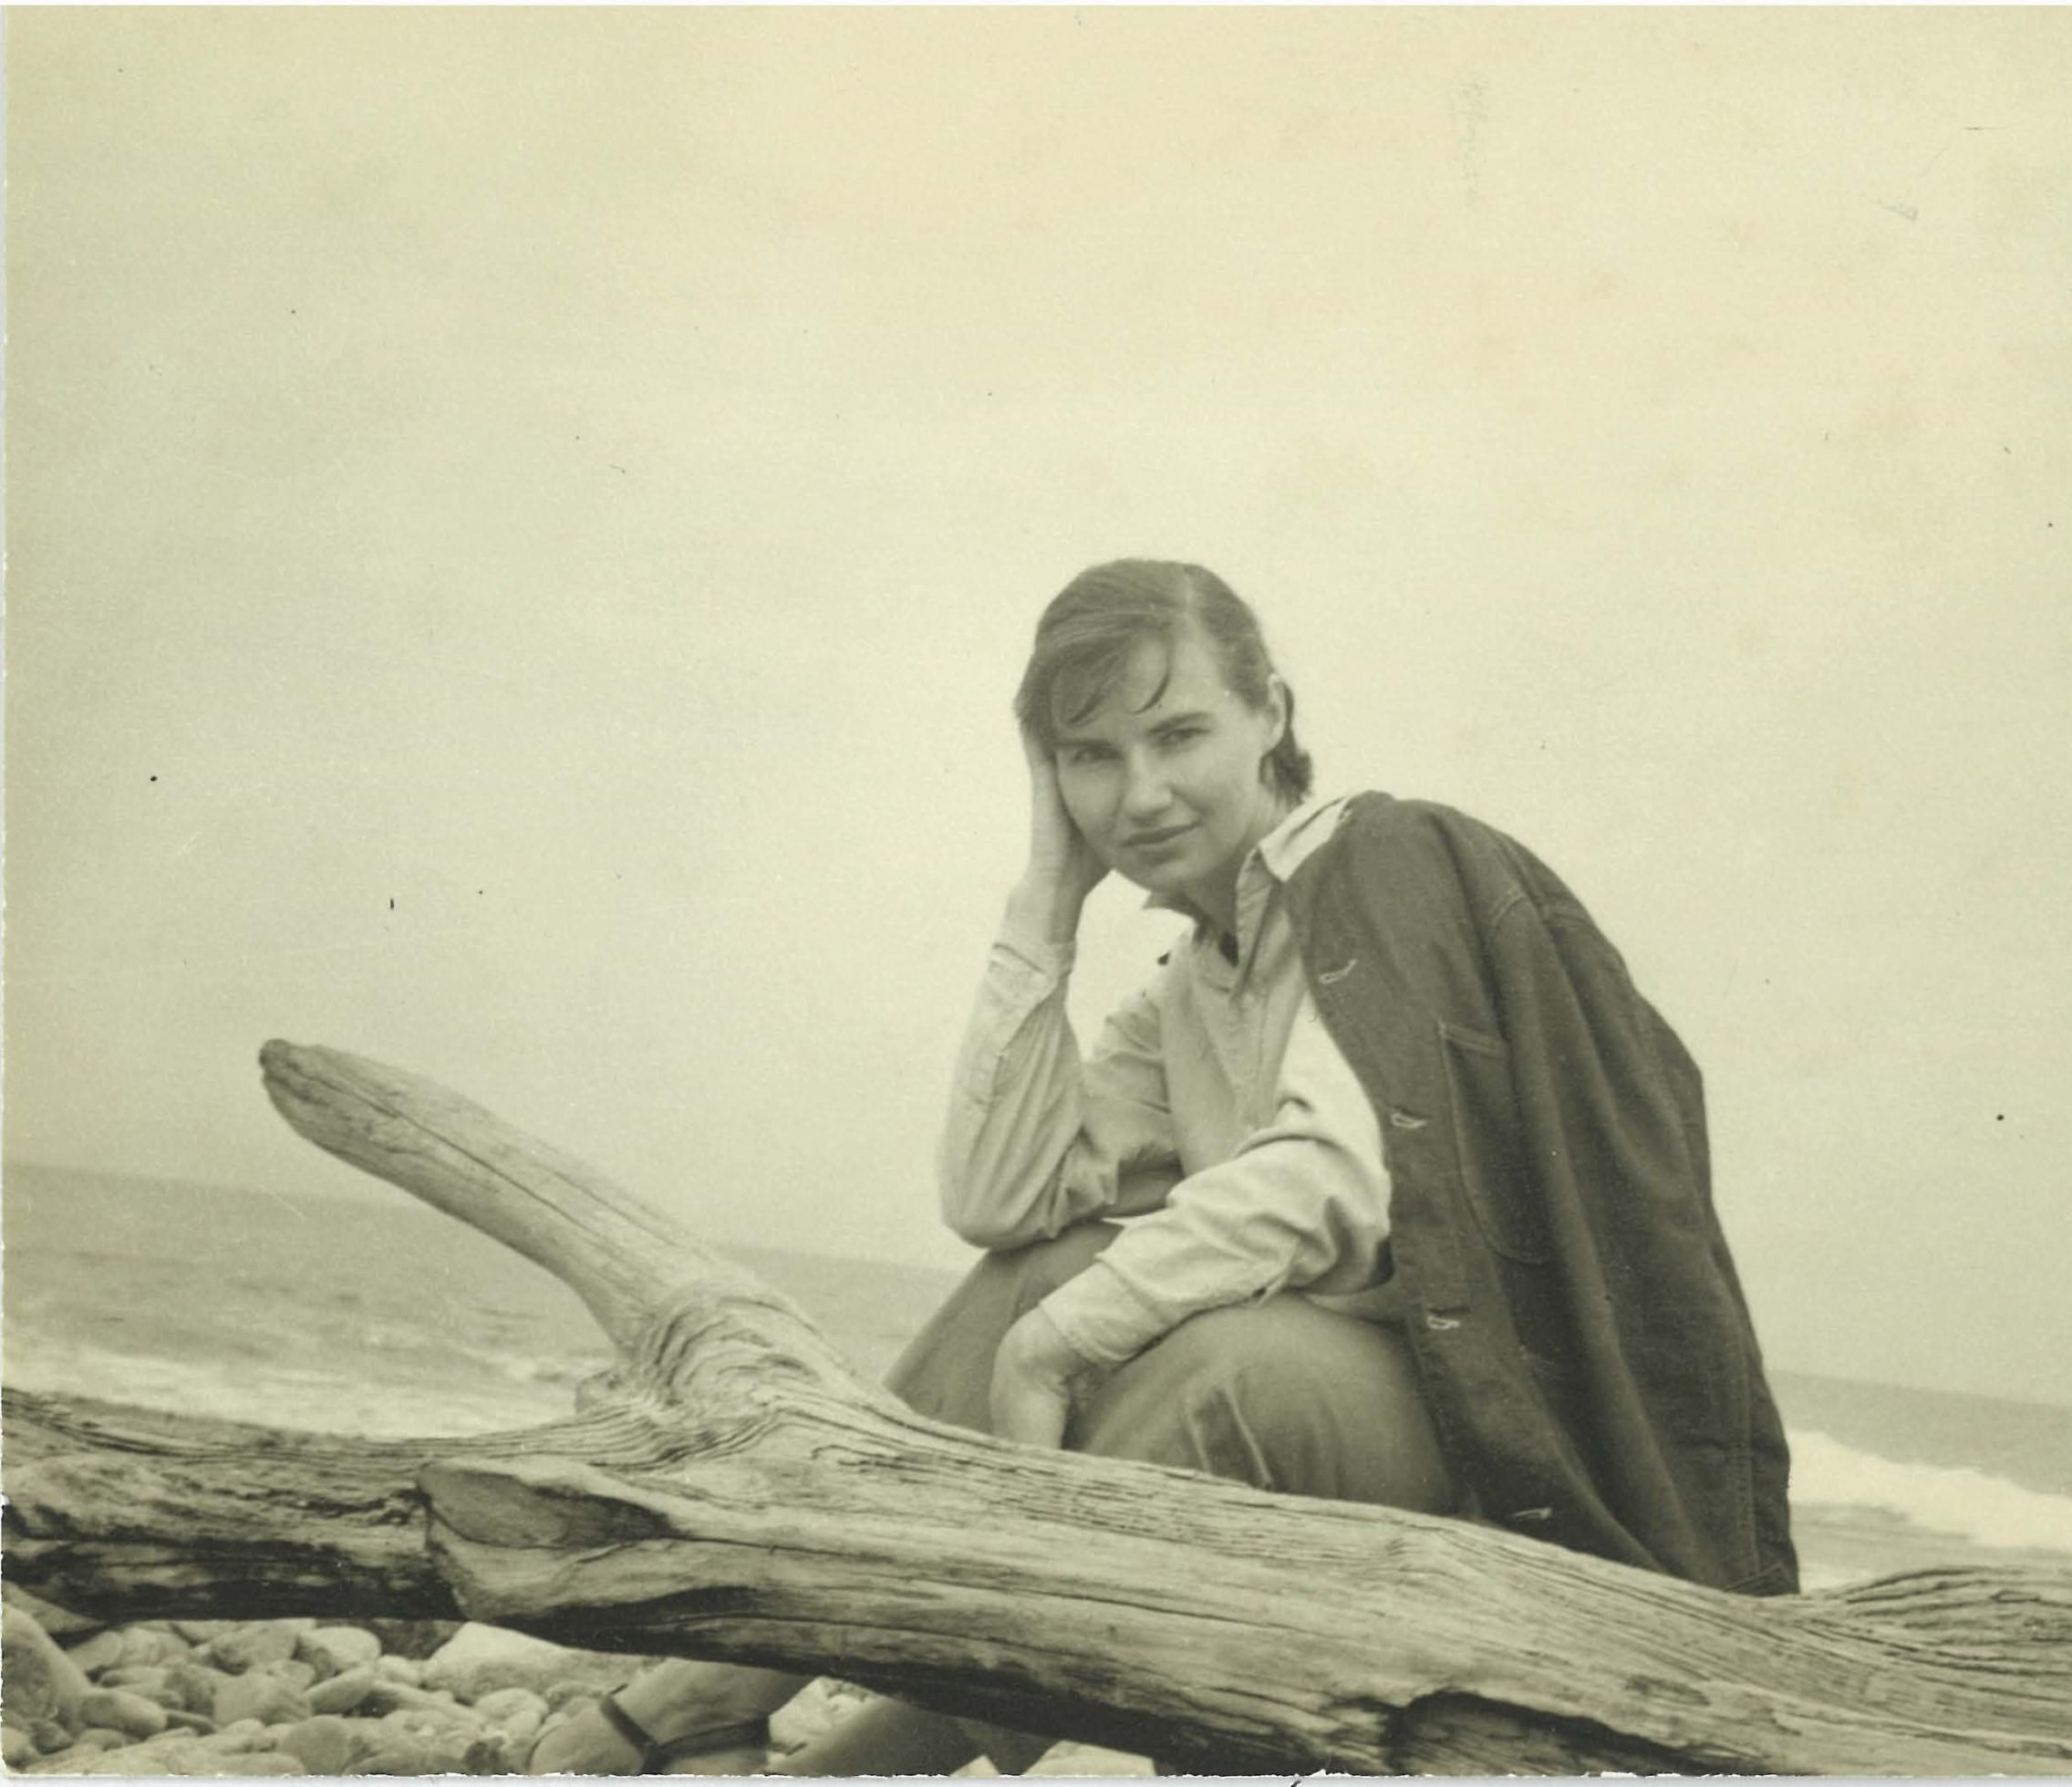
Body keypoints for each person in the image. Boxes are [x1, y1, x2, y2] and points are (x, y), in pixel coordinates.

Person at [531, 559, 1796, 1775]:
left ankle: (816, 1745)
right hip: (1354, 1445)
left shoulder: (1382, 865)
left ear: (1271, 718)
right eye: (1093, 757)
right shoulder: (1192, 977)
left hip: (1507, 1472)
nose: (1139, 796)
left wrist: (1055, 1350)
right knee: (1050, 1268)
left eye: (1179, 734)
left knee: (1205, 1368)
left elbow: (1333, 1174)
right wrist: (1044, 897)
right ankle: (740, 1697)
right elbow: (1002, 1201)